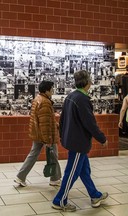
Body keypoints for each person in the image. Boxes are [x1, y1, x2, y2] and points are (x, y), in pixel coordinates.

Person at [52, 70, 108, 212]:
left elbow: (62, 119)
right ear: (87, 82)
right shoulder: (83, 99)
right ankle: (60, 200)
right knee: (72, 172)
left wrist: (62, 135)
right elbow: (90, 123)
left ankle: (95, 195)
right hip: (78, 142)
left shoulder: (71, 96)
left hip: (72, 140)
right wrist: (102, 138)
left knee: (84, 171)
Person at [14, 80, 62, 187]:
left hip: (37, 133)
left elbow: (46, 119)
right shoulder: (45, 102)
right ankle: (54, 179)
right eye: (52, 89)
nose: (53, 90)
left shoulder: (37, 99)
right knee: (53, 155)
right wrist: (48, 139)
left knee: (33, 155)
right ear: (47, 90)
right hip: (46, 134)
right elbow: (45, 123)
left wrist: (56, 125)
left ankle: (20, 177)